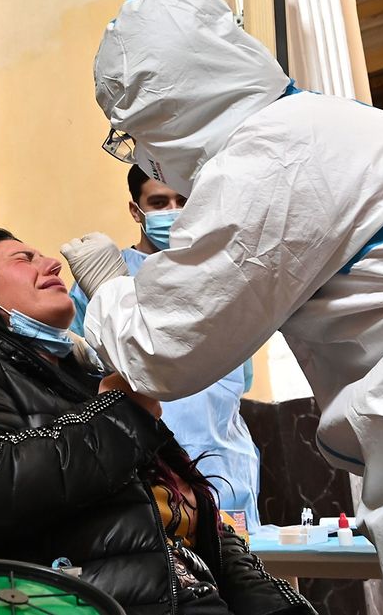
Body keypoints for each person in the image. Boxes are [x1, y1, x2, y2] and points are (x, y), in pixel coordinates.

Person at [62, 0, 383, 615]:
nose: (145, 158)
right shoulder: (322, 125)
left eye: (138, 134)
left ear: (170, 112)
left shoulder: (266, 158)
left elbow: (164, 348)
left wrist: (109, 286)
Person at [0, 228, 315, 615]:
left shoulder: (81, 381)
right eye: (24, 258)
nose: (52, 263)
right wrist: (124, 409)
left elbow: (192, 524)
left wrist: (278, 606)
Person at [68, 165, 262, 533]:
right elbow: (82, 375)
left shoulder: (220, 270)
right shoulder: (103, 278)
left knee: (237, 562)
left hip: (226, 467)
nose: (174, 211)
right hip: (147, 474)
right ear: (135, 210)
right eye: (159, 203)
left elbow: (240, 378)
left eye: (182, 200)